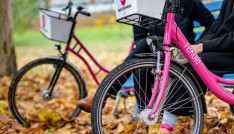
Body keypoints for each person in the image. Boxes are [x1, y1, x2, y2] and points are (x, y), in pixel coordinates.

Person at [134, 0, 234, 134]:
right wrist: (190, 49)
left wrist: (201, 47)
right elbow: (215, 29)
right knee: (179, 63)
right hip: (223, 52)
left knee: (192, 65)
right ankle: (161, 127)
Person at [76, 0, 215, 112]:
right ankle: (147, 117)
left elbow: (211, 23)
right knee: (141, 65)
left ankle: (103, 93)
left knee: (142, 50)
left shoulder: (187, 2)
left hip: (179, 53)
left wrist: (194, 47)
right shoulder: (144, 4)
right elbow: (139, 37)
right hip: (155, 52)